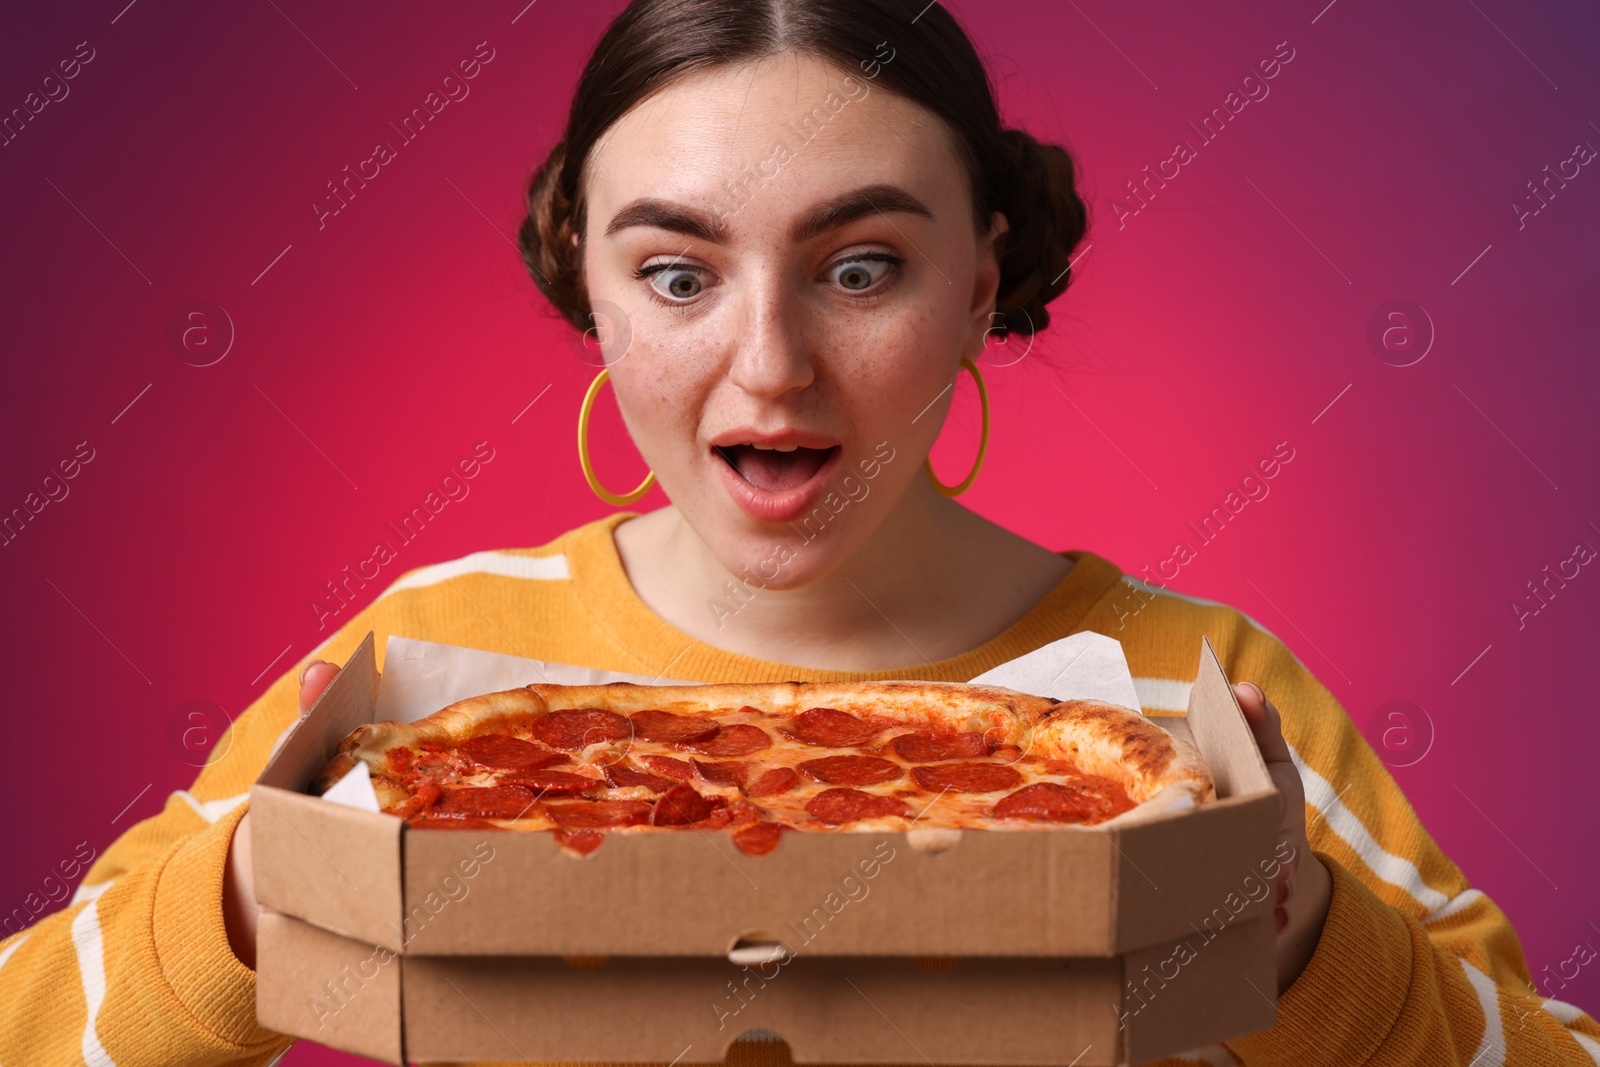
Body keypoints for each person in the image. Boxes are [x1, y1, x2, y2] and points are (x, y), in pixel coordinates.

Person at [3, 0, 1595, 1064]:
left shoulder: (1193, 691)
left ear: (980, 283)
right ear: (587, 284)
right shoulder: (428, 662)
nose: (767, 364)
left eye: (859, 268)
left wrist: (1307, 937)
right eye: (680, 274)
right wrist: (242, 905)